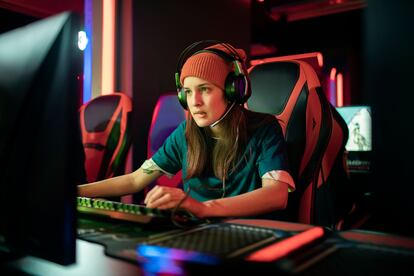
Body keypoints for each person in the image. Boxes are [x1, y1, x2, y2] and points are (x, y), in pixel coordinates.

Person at [78, 41, 295, 219]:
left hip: (247, 235)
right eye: (188, 92)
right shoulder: (186, 133)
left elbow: (276, 195)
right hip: (197, 233)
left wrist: (203, 208)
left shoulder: (265, 129)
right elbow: (136, 180)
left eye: (205, 89)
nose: (195, 102)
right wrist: (76, 192)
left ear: (232, 91)